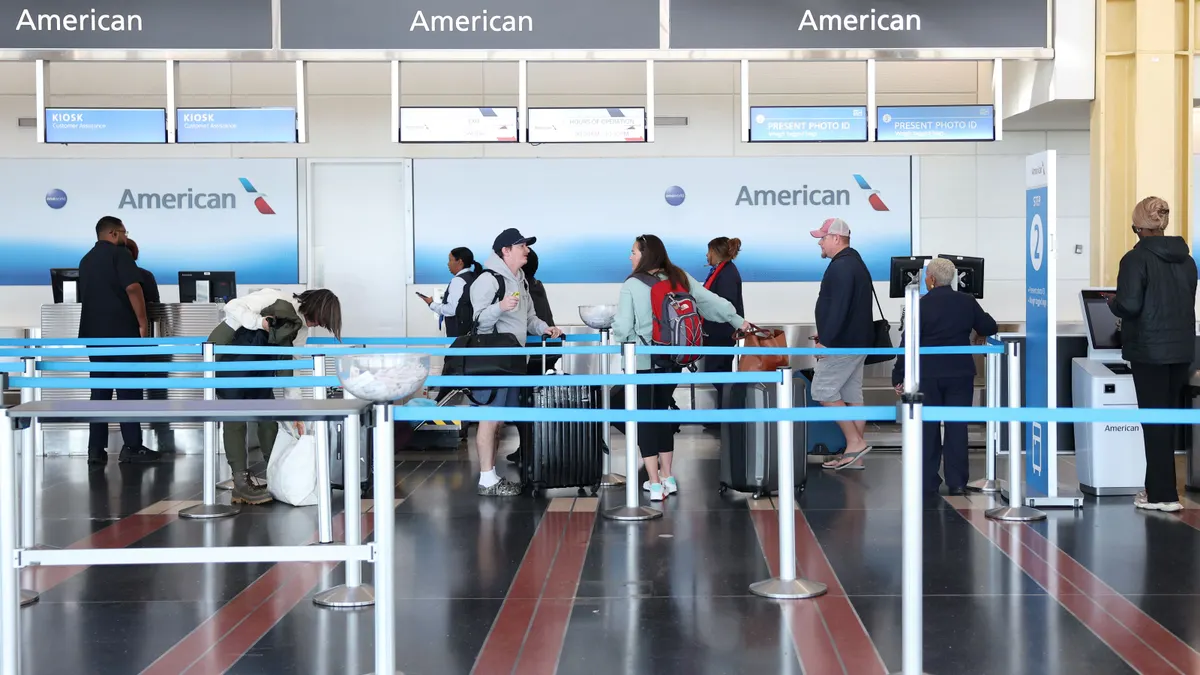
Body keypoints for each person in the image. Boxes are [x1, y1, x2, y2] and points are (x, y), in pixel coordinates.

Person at [613, 234, 750, 502]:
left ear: (645, 254)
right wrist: (738, 320)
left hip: (642, 362)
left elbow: (622, 328)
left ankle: (653, 483)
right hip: (674, 359)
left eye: (633, 252)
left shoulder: (632, 284)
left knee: (644, 417)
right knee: (662, 413)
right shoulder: (679, 276)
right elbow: (710, 302)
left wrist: (622, 335)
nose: (630, 257)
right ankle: (668, 476)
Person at [207, 288, 343, 505]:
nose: (318, 324)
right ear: (315, 307)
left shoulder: (301, 330)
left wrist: (295, 412)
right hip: (227, 356)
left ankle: (275, 474)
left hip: (258, 367)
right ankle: (240, 484)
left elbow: (292, 366)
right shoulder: (276, 297)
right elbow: (232, 306)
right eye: (320, 319)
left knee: (268, 417)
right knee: (234, 417)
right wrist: (259, 323)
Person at [1108, 196, 1197, 513]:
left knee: (1153, 423)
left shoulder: (1135, 259)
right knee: (1167, 421)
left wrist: (1112, 303)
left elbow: (1130, 305)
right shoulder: (1187, 260)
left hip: (1149, 351)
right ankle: (1160, 489)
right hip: (1183, 349)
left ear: (1137, 227)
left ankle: (1162, 495)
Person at [469, 228, 563, 497]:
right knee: (489, 418)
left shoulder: (520, 280)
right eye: (522, 246)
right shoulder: (487, 280)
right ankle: (487, 479)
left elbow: (529, 318)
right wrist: (500, 307)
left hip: (512, 359)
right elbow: (477, 322)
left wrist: (545, 328)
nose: (527, 251)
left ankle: (491, 476)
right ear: (505, 251)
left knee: (498, 420)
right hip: (490, 359)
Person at [892, 258, 998, 495]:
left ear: (930, 279)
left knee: (927, 428)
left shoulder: (920, 305)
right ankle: (957, 481)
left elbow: (907, 342)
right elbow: (990, 326)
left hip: (927, 374)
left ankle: (928, 481)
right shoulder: (967, 301)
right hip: (960, 373)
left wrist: (898, 374)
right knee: (957, 428)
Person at [78, 216, 160, 466]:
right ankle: (132, 447)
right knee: (128, 390)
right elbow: (133, 288)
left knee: (100, 392)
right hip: (122, 332)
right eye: (124, 232)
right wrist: (143, 322)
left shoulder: (86, 260)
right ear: (113, 233)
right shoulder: (120, 255)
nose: (126, 236)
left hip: (94, 333)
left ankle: (95, 450)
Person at [808, 218, 876, 471]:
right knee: (851, 395)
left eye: (823, 237)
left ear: (837, 238)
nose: (820, 242)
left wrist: (826, 340)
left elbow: (838, 308)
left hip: (841, 344)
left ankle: (855, 443)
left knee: (823, 391)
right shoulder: (855, 263)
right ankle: (854, 455)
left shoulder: (841, 267)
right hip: (856, 342)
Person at [125, 238, 174, 453]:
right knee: (142, 392)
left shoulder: (104, 274)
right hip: (142, 340)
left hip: (122, 341)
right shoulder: (144, 276)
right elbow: (155, 306)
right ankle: (150, 441)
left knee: (111, 393)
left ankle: (99, 450)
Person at [700, 236, 745, 431]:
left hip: (721, 332)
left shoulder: (726, 274)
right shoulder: (722, 271)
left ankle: (729, 412)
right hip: (717, 331)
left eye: (709, 251)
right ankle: (724, 415)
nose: (707, 255)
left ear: (716, 252)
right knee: (720, 372)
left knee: (717, 372)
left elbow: (725, 305)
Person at [418, 247, 482, 337]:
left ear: (459, 262)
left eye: (450, 260)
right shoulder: (474, 277)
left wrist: (432, 304)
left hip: (458, 334)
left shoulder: (458, 281)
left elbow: (452, 310)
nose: (448, 264)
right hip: (471, 332)